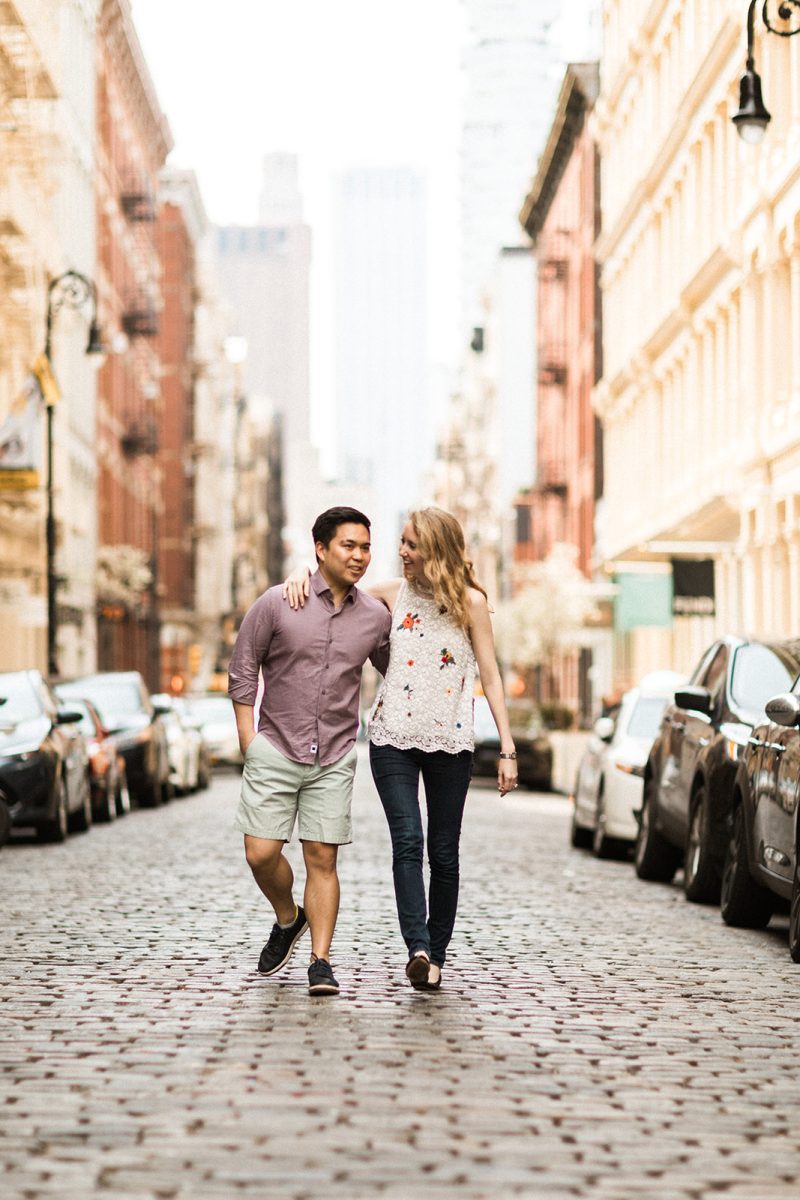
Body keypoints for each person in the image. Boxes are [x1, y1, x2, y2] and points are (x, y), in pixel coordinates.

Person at [284, 506, 517, 991]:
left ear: (435, 548)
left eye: (411, 544)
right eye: (403, 543)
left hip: (451, 741)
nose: (401, 551)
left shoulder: (472, 603)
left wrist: (508, 747)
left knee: (445, 852)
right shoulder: (392, 593)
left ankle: (437, 954)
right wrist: (303, 571)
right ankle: (418, 946)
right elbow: (335, 592)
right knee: (408, 840)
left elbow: (491, 676)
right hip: (391, 738)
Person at [228, 506, 390, 997]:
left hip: (335, 753)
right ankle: (288, 917)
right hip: (275, 744)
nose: (360, 556)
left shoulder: (375, 617)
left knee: (322, 858)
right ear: (320, 549)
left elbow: (399, 672)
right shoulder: (278, 603)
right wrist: (248, 742)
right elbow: (243, 668)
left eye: (365, 546)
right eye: (348, 545)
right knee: (260, 853)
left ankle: (321, 961)